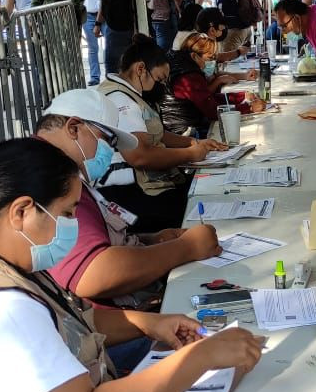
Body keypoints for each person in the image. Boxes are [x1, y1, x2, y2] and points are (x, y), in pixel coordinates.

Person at [0, 138, 263, 392]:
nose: (74, 225)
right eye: (66, 213)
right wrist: (199, 359)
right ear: (21, 212)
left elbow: (68, 317)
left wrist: (150, 323)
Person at [35, 88, 222, 311]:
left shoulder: (59, 169)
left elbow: (90, 244)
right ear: (74, 128)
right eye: (107, 140)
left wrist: (149, 241)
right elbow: (94, 273)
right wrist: (186, 248)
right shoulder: (50, 178)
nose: (109, 152)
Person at [95, 35, 228, 232]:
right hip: (130, 193)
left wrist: (192, 142)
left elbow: (157, 134)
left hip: (143, 183)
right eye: (159, 79)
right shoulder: (122, 101)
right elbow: (140, 156)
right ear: (140, 69)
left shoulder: (128, 92)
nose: (161, 86)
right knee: (197, 202)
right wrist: (190, 154)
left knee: (203, 186)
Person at [161, 33, 265, 137]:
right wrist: (249, 108)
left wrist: (242, 96)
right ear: (194, 56)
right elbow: (213, 111)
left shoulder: (186, 67)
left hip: (187, 123)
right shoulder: (188, 77)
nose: (212, 62)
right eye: (209, 59)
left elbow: (207, 98)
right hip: (185, 131)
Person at [83, 0, 104, 86]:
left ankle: (111, 74)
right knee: (93, 47)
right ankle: (95, 76)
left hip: (103, 15)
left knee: (110, 44)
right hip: (89, 15)